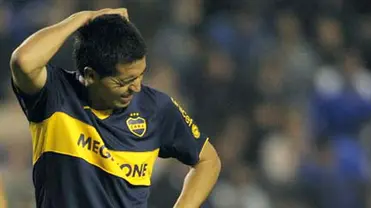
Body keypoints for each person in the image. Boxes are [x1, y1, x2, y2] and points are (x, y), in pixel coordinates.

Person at [9, 8, 221, 208]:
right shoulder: (55, 96)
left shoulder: (155, 108)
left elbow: (208, 161)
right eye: (124, 81)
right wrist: (82, 18)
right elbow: (23, 60)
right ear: (91, 76)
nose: (136, 87)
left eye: (141, 75)